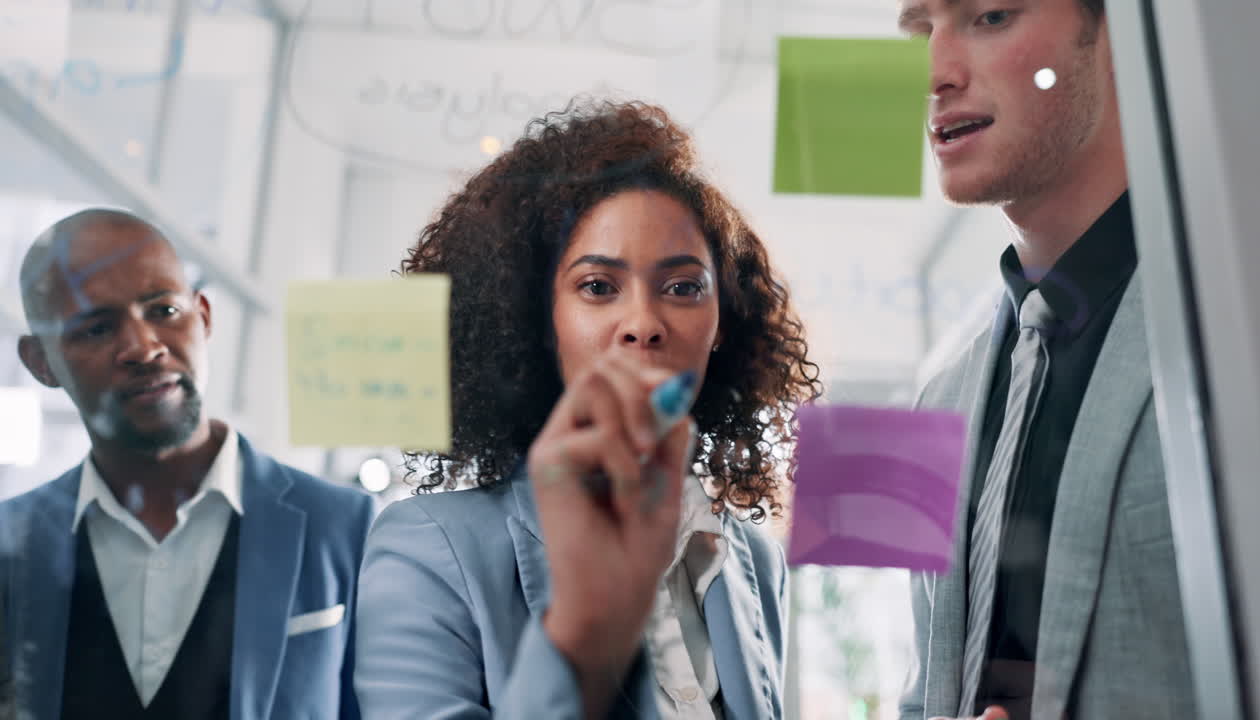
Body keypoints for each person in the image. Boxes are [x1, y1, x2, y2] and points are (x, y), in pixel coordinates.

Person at [354, 100, 821, 719]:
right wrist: (583, 626)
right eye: (598, 287)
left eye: (683, 287)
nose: (644, 324)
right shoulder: (429, 550)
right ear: (538, 323)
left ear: (722, 326)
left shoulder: (754, 561)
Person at [894, 0, 1195, 718]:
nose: (936, 72)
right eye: (919, 30)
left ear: (1116, 29)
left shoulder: (1238, 334)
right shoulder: (936, 401)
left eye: (990, 17)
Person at [0, 209, 376, 719]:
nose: (143, 346)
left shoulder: (347, 527)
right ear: (40, 363)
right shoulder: (9, 541)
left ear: (203, 315)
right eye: (97, 328)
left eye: (163, 310)